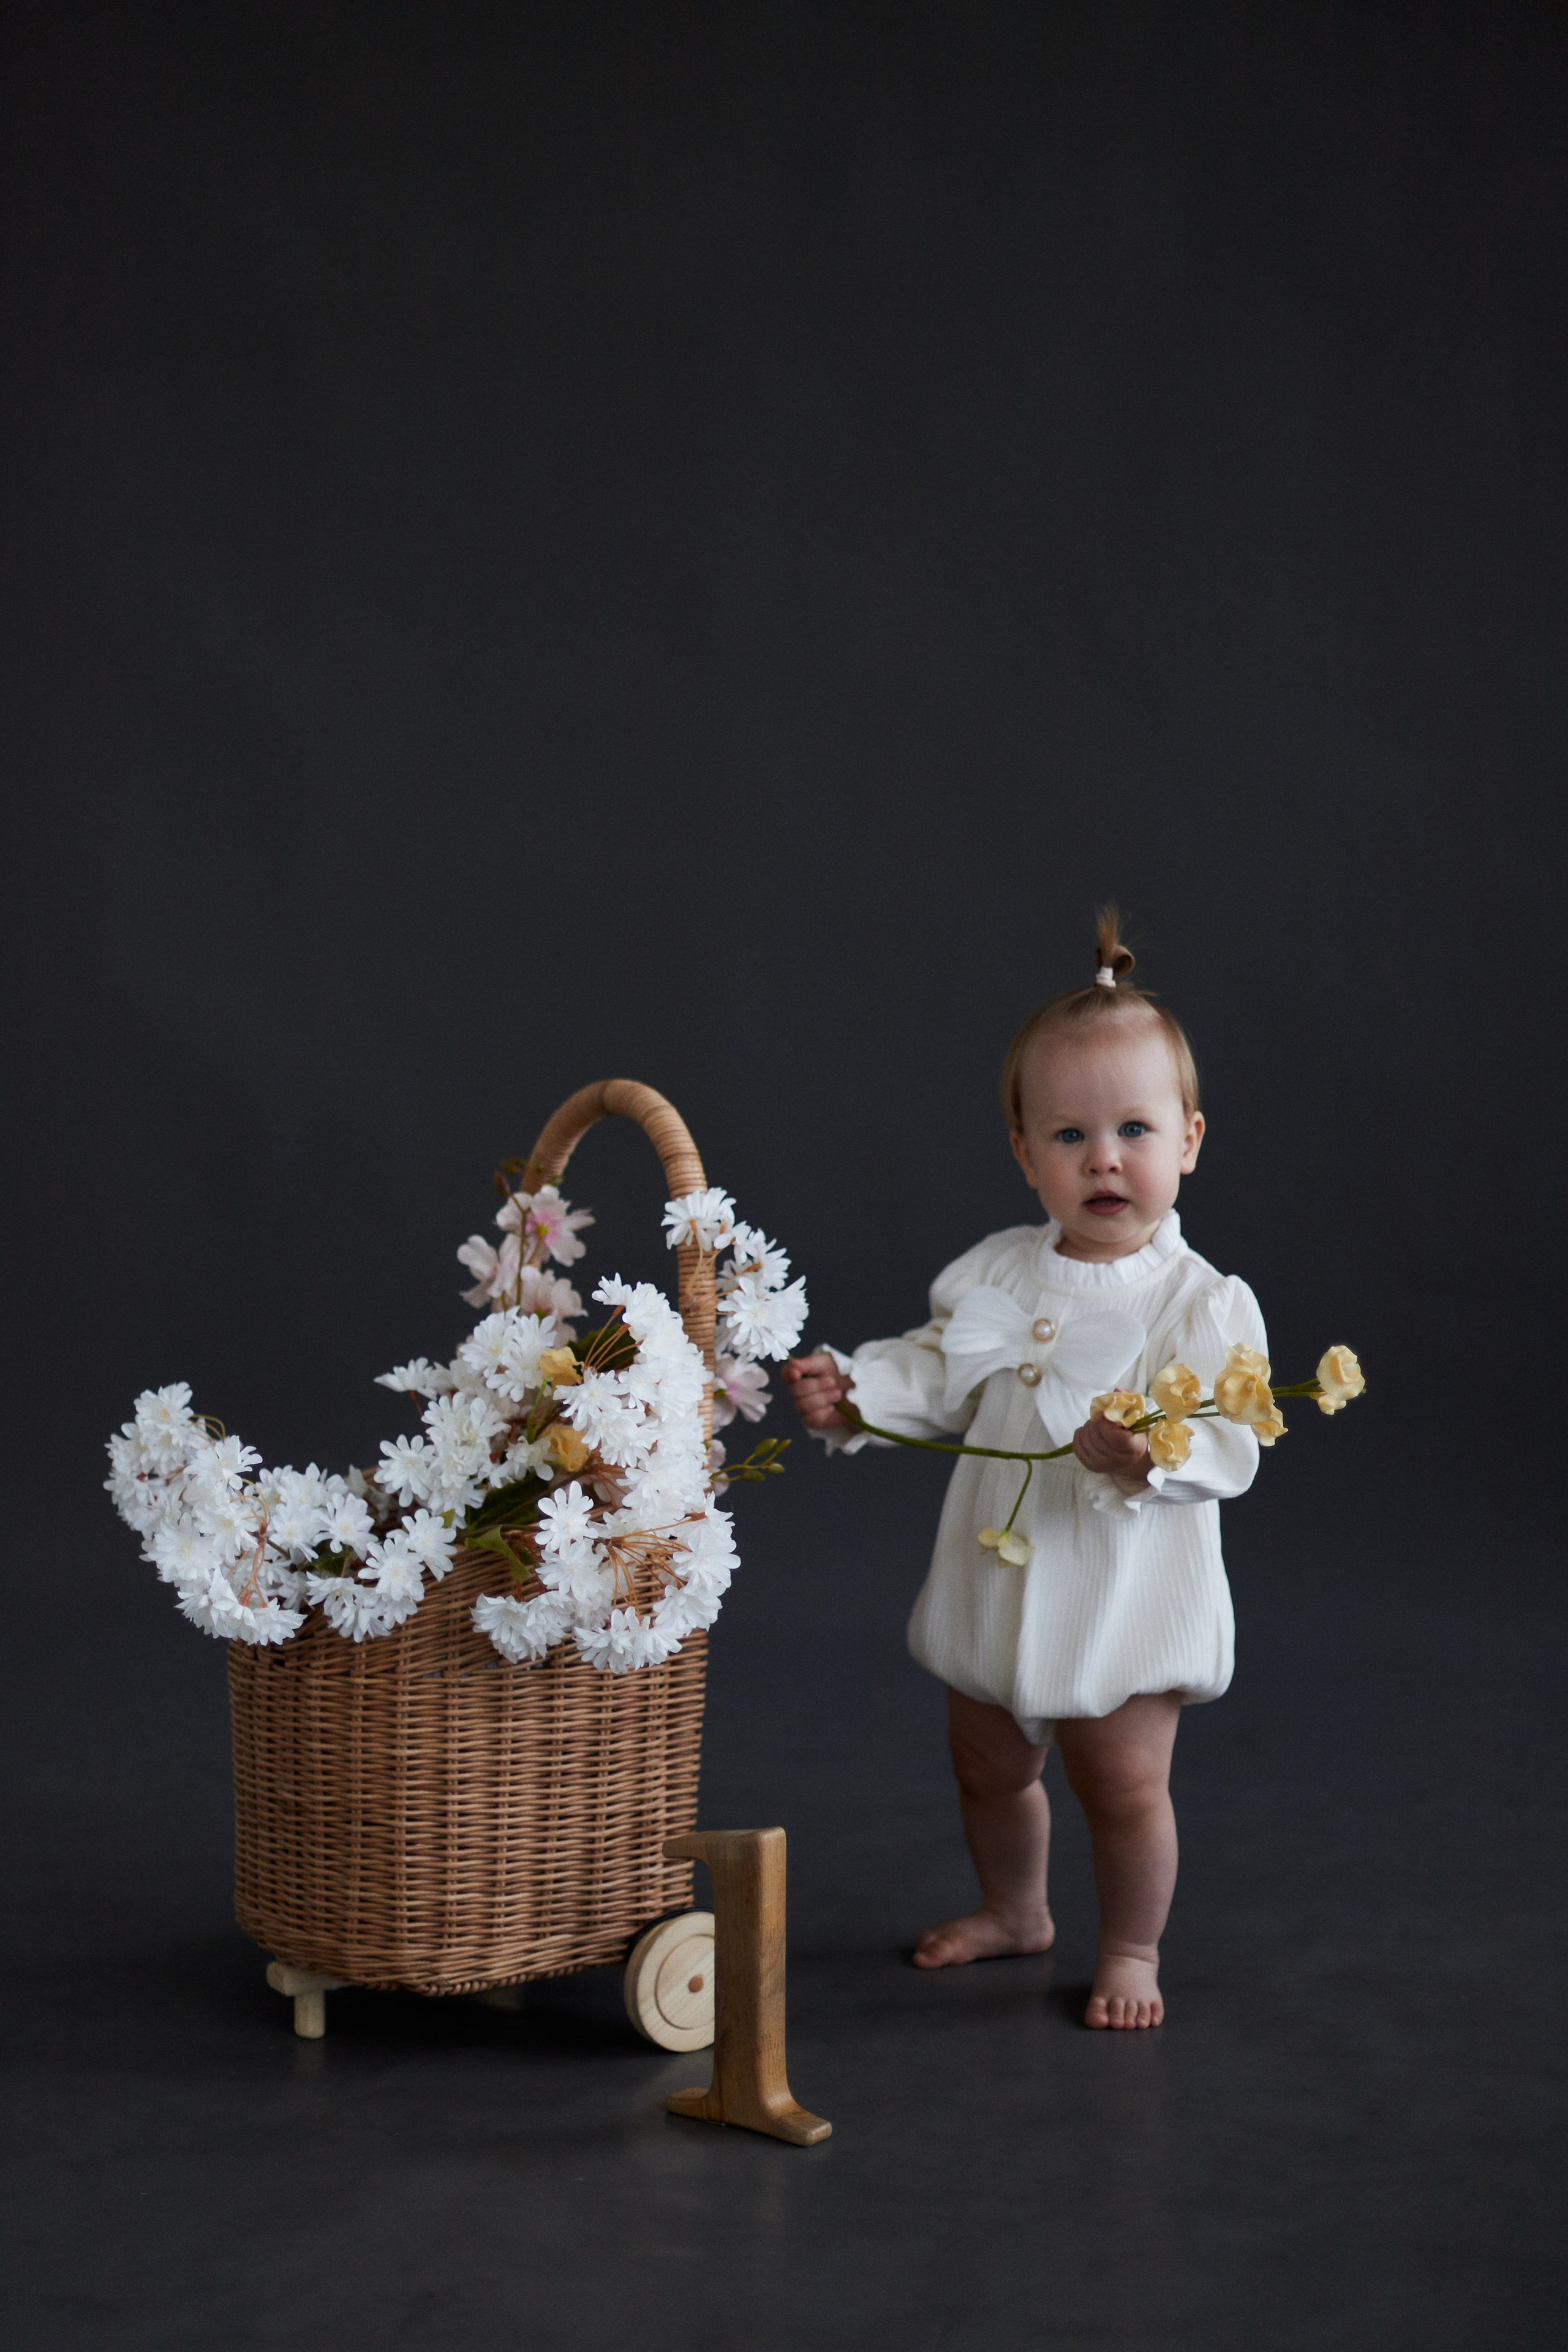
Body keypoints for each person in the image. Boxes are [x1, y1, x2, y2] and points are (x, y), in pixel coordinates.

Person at [783, 909, 1266, 2030]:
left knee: (1123, 1785)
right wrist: (857, 1391)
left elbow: (1234, 1435)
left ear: (1189, 1141)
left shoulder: (1199, 1303)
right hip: (998, 1577)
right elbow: (942, 1370)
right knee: (987, 1763)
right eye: (1069, 1136)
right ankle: (1016, 1908)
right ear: (1023, 1153)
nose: (1105, 1158)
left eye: (1135, 1129)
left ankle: (1134, 1947)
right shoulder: (1000, 1271)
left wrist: (1151, 1452)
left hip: (1120, 1592)